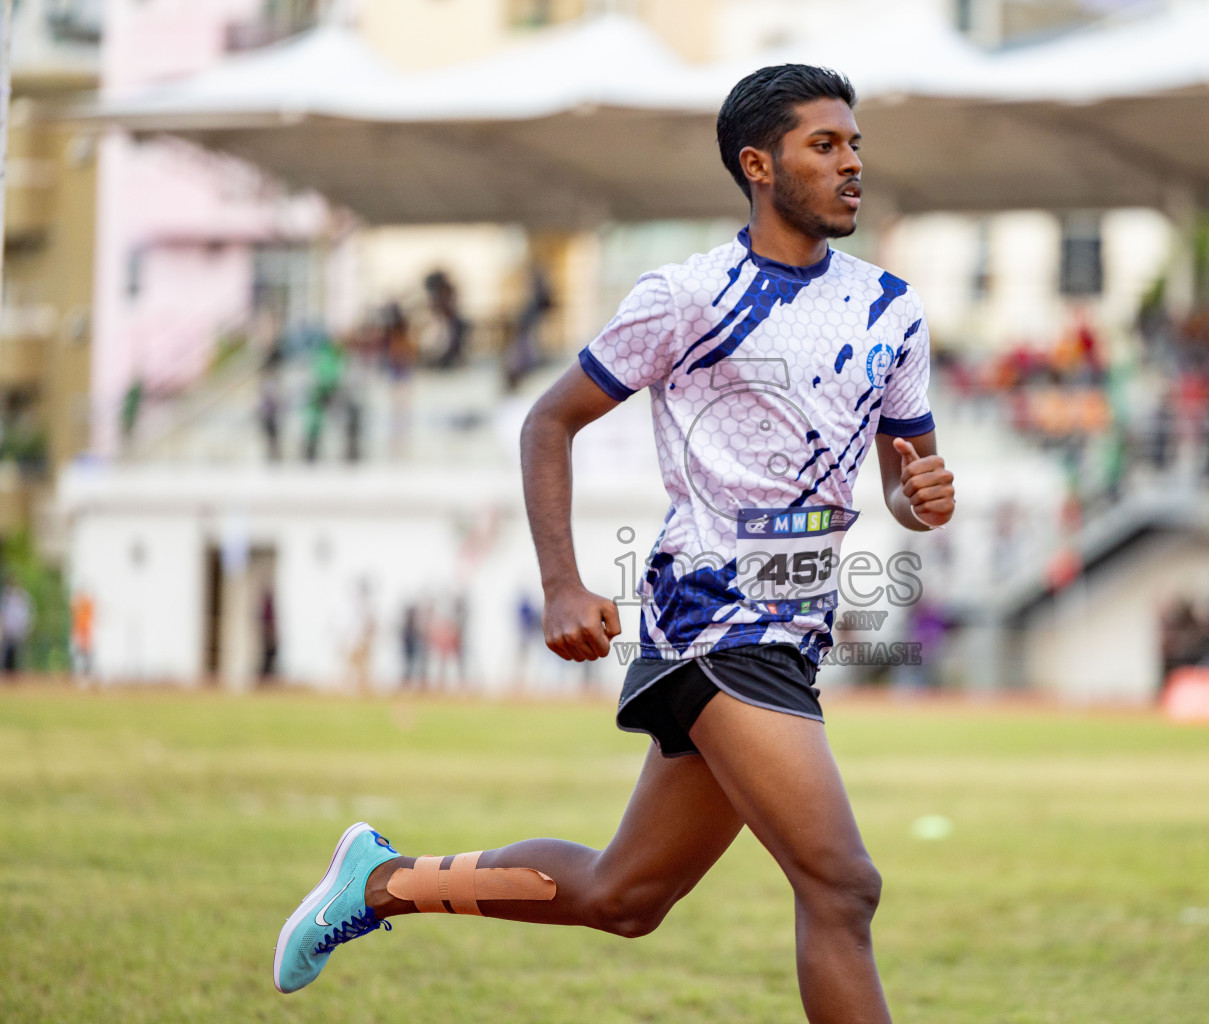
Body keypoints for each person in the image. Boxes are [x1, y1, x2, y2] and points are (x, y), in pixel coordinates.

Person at [273, 65, 956, 1024]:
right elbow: (548, 422)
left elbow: (905, 478)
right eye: (825, 145)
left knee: (625, 898)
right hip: (717, 618)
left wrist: (920, 494)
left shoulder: (893, 307)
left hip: (795, 630)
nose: (852, 165)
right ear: (758, 165)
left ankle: (383, 883)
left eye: (855, 146)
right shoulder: (686, 295)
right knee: (842, 887)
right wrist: (562, 582)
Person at [1, 580, 34, 675]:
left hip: (18, 632)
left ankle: (17, 676)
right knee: (6, 656)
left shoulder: (22, 599)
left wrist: (25, 628)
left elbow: (26, 616)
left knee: (17, 656)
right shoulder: (5, 600)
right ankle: (6, 675)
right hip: (8, 632)